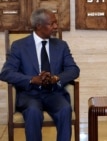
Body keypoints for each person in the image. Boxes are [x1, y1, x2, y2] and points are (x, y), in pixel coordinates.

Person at [0, 8, 80, 141]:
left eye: (56, 23)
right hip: (29, 95)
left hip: (54, 93)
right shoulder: (19, 46)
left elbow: (73, 69)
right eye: (51, 24)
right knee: (33, 112)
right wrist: (32, 79)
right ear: (39, 25)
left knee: (65, 109)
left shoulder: (61, 46)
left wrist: (56, 78)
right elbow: (6, 73)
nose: (56, 26)